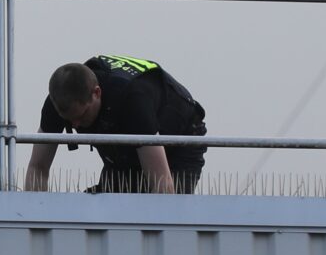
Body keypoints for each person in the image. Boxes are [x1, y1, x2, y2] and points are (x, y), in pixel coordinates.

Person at [23, 54, 208, 194]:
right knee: (103, 208)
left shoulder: (132, 101)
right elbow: (38, 168)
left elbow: (161, 182)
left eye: (82, 115)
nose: (76, 124)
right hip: (125, 143)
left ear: (97, 93)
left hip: (180, 140)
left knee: (159, 211)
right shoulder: (59, 101)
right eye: (69, 120)